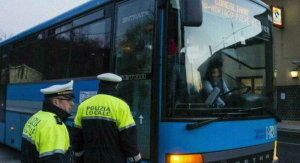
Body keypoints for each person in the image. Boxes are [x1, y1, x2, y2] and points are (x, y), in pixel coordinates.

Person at [72, 73, 141, 163]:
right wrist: (136, 160)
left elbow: (77, 138)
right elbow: (128, 140)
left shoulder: (84, 105)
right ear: (116, 86)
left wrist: (79, 159)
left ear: (99, 85)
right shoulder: (121, 106)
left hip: (90, 159)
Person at [21, 80, 75, 163]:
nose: (72, 103)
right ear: (56, 102)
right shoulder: (54, 126)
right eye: (68, 100)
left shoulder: (36, 117)